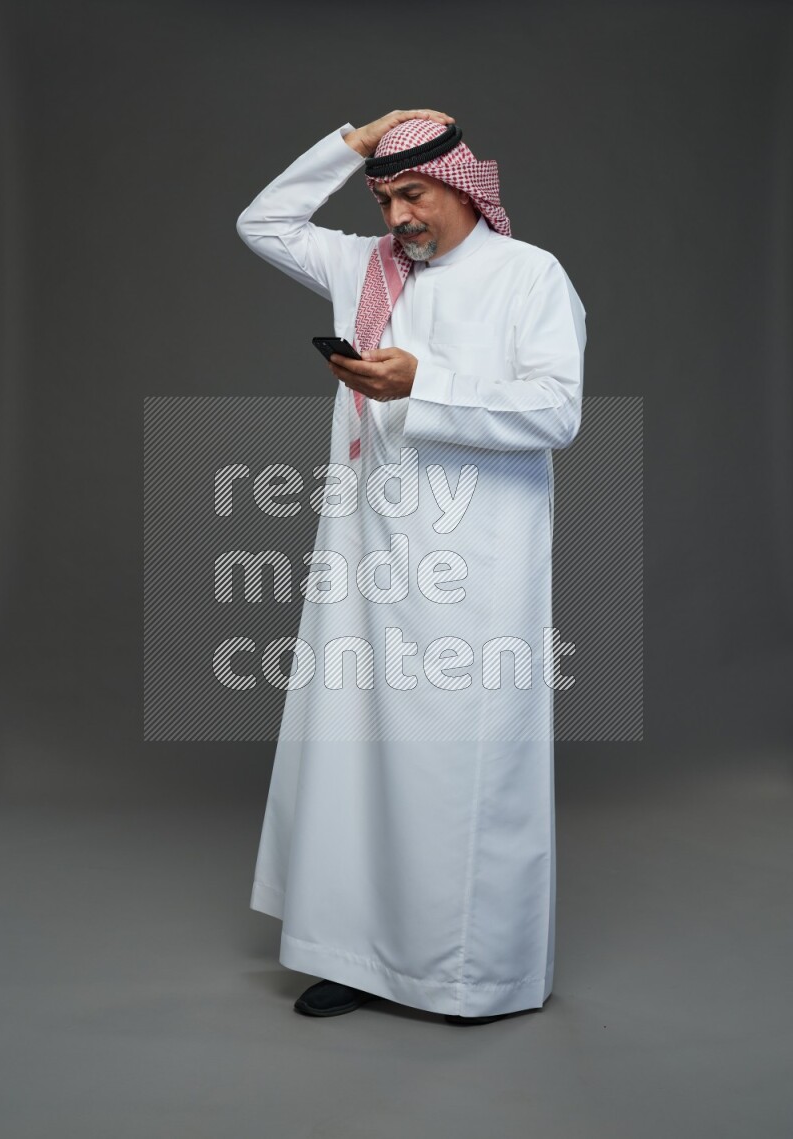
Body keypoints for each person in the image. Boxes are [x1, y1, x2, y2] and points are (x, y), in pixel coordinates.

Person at [236, 109, 587, 1025]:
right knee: (354, 759)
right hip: (363, 556)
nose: (398, 217)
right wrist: (352, 143)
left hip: (476, 568)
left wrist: (422, 383)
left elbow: (557, 411)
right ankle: (355, 954)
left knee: (458, 769)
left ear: (466, 185)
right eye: (385, 198)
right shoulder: (368, 268)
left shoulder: (529, 275)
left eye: (415, 194)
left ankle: (472, 975)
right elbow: (263, 223)